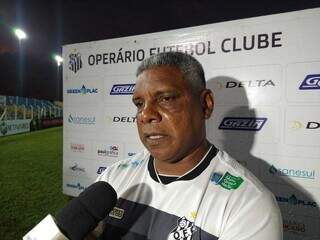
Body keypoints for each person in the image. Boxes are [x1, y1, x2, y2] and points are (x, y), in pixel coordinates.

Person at [96, 51, 283, 240]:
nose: (145, 114)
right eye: (139, 103)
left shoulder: (248, 205)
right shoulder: (113, 177)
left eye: (165, 98)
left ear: (205, 104)